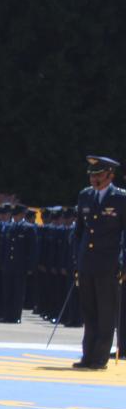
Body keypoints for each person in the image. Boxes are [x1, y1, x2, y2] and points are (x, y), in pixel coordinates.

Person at [72, 155, 125, 369]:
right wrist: (77, 257)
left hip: (109, 263)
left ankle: (99, 358)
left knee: (105, 313)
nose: (94, 179)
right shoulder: (85, 196)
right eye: (92, 175)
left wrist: (122, 262)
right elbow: (79, 232)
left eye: (99, 175)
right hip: (87, 263)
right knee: (89, 311)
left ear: (110, 175)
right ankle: (87, 355)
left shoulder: (121, 199)